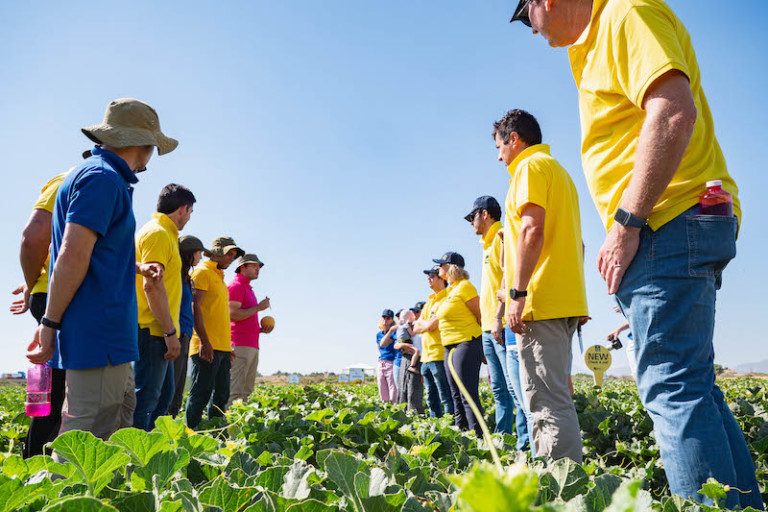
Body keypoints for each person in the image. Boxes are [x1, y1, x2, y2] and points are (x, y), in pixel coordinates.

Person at [510, 1, 761, 506]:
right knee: (693, 387)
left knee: (673, 388)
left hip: (665, 219)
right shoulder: (591, 43)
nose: (530, 28)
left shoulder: (625, 14)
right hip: (671, 221)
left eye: (525, 14)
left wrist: (626, 222)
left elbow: (672, 110)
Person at [26, 97, 177, 440]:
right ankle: (64, 496)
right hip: (99, 333)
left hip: (110, 337)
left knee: (115, 432)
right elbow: (72, 254)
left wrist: (136, 267)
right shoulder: (102, 179)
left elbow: (93, 251)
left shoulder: (97, 177)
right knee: (87, 438)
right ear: (145, 145)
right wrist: (49, 324)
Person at [493, 109, 587, 462]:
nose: (499, 156)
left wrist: (517, 294)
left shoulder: (529, 169)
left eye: (499, 146)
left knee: (545, 404)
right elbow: (576, 245)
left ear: (514, 139)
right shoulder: (559, 172)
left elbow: (533, 229)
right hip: (561, 301)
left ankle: (560, 489)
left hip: (540, 302)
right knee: (557, 398)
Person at [133, 184, 195, 430]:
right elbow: (152, 286)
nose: (189, 218)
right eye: (190, 212)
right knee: (146, 401)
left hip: (161, 330)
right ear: (182, 209)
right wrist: (170, 332)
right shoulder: (158, 233)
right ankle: (135, 460)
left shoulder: (165, 234)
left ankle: (154, 456)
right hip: (153, 330)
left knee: (163, 399)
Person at [465, 195, 517, 436]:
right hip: (488, 326)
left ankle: (523, 442)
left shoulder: (501, 237)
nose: (471, 223)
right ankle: (503, 437)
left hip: (500, 324)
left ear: (484, 214)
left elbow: (508, 282)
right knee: (498, 388)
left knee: (514, 387)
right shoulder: (487, 244)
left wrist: (498, 318)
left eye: (472, 217)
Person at [185, 236, 244, 429]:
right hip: (206, 345)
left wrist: (228, 347)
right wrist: (204, 341)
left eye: (234, 256)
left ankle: (216, 437)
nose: (231, 259)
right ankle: (190, 436)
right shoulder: (202, 272)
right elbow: (195, 307)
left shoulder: (220, 278)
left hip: (222, 347)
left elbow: (219, 315)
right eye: (229, 254)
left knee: (221, 397)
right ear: (217, 252)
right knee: (200, 394)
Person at [426, 252, 484, 436]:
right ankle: (463, 437)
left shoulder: (465, 287)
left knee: (467, 395)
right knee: (455, 396)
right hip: (449, 347)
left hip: (466, 343)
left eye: (441, 265)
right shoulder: (450, 291)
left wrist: (482, 346)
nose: (438, 268)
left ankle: (478, 438)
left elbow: (480, 315)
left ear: (451, 267)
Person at [167, 235, 208, 417]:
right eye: (199, 253)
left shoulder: (188, 278)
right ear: (189, 254)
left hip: (185, 336)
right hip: (174, 335)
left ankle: (170, 434)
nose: (200, 258)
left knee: (177, 391)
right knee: (168, 390)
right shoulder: (173, 275)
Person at [227, 253, 272, 407]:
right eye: (253, 265)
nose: (258, 268)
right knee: (236, 391)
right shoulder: (236, 286)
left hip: (251, 344)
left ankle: (238, 429)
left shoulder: (247, 288)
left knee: (246, 390)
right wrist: (259, 307)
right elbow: (231, 315)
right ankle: (228, 429)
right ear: (242, 267)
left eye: (258, 266)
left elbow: (243, 318)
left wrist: (259, 330)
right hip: (239, 345)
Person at [413, 265, 453, 419]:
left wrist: (425, 324)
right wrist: (425, 324)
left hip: (439, 354)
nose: (428, 278)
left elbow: (429, 325)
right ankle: (436, 427)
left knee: (445, 396)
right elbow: (416, 327)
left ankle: (450, 427)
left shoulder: (447, 298)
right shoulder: (429, 302)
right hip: (426, 357)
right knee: (431, 399)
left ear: (442, 279)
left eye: (432, 275)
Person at [393, 309, 424, 414]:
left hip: (418, 360)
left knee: (414, 390)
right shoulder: (404, 327)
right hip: (406, 358)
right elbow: (396, 345)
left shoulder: (420, 327)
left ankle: (415, 415)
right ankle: (403, 414)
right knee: (403, 388)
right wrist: (404, 345)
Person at [375, 309, 398, 403]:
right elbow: (379, 348)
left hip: (391, 362)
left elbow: (384, 343)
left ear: (392, 320)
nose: (385, 320)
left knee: (393, 388)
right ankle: (385, 407)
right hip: (382, 362)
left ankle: (393, 408)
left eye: (388, 318)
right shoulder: (378, 334)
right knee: (382, 388)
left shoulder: (394, 332)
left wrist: (390, 332)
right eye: (384, 317)